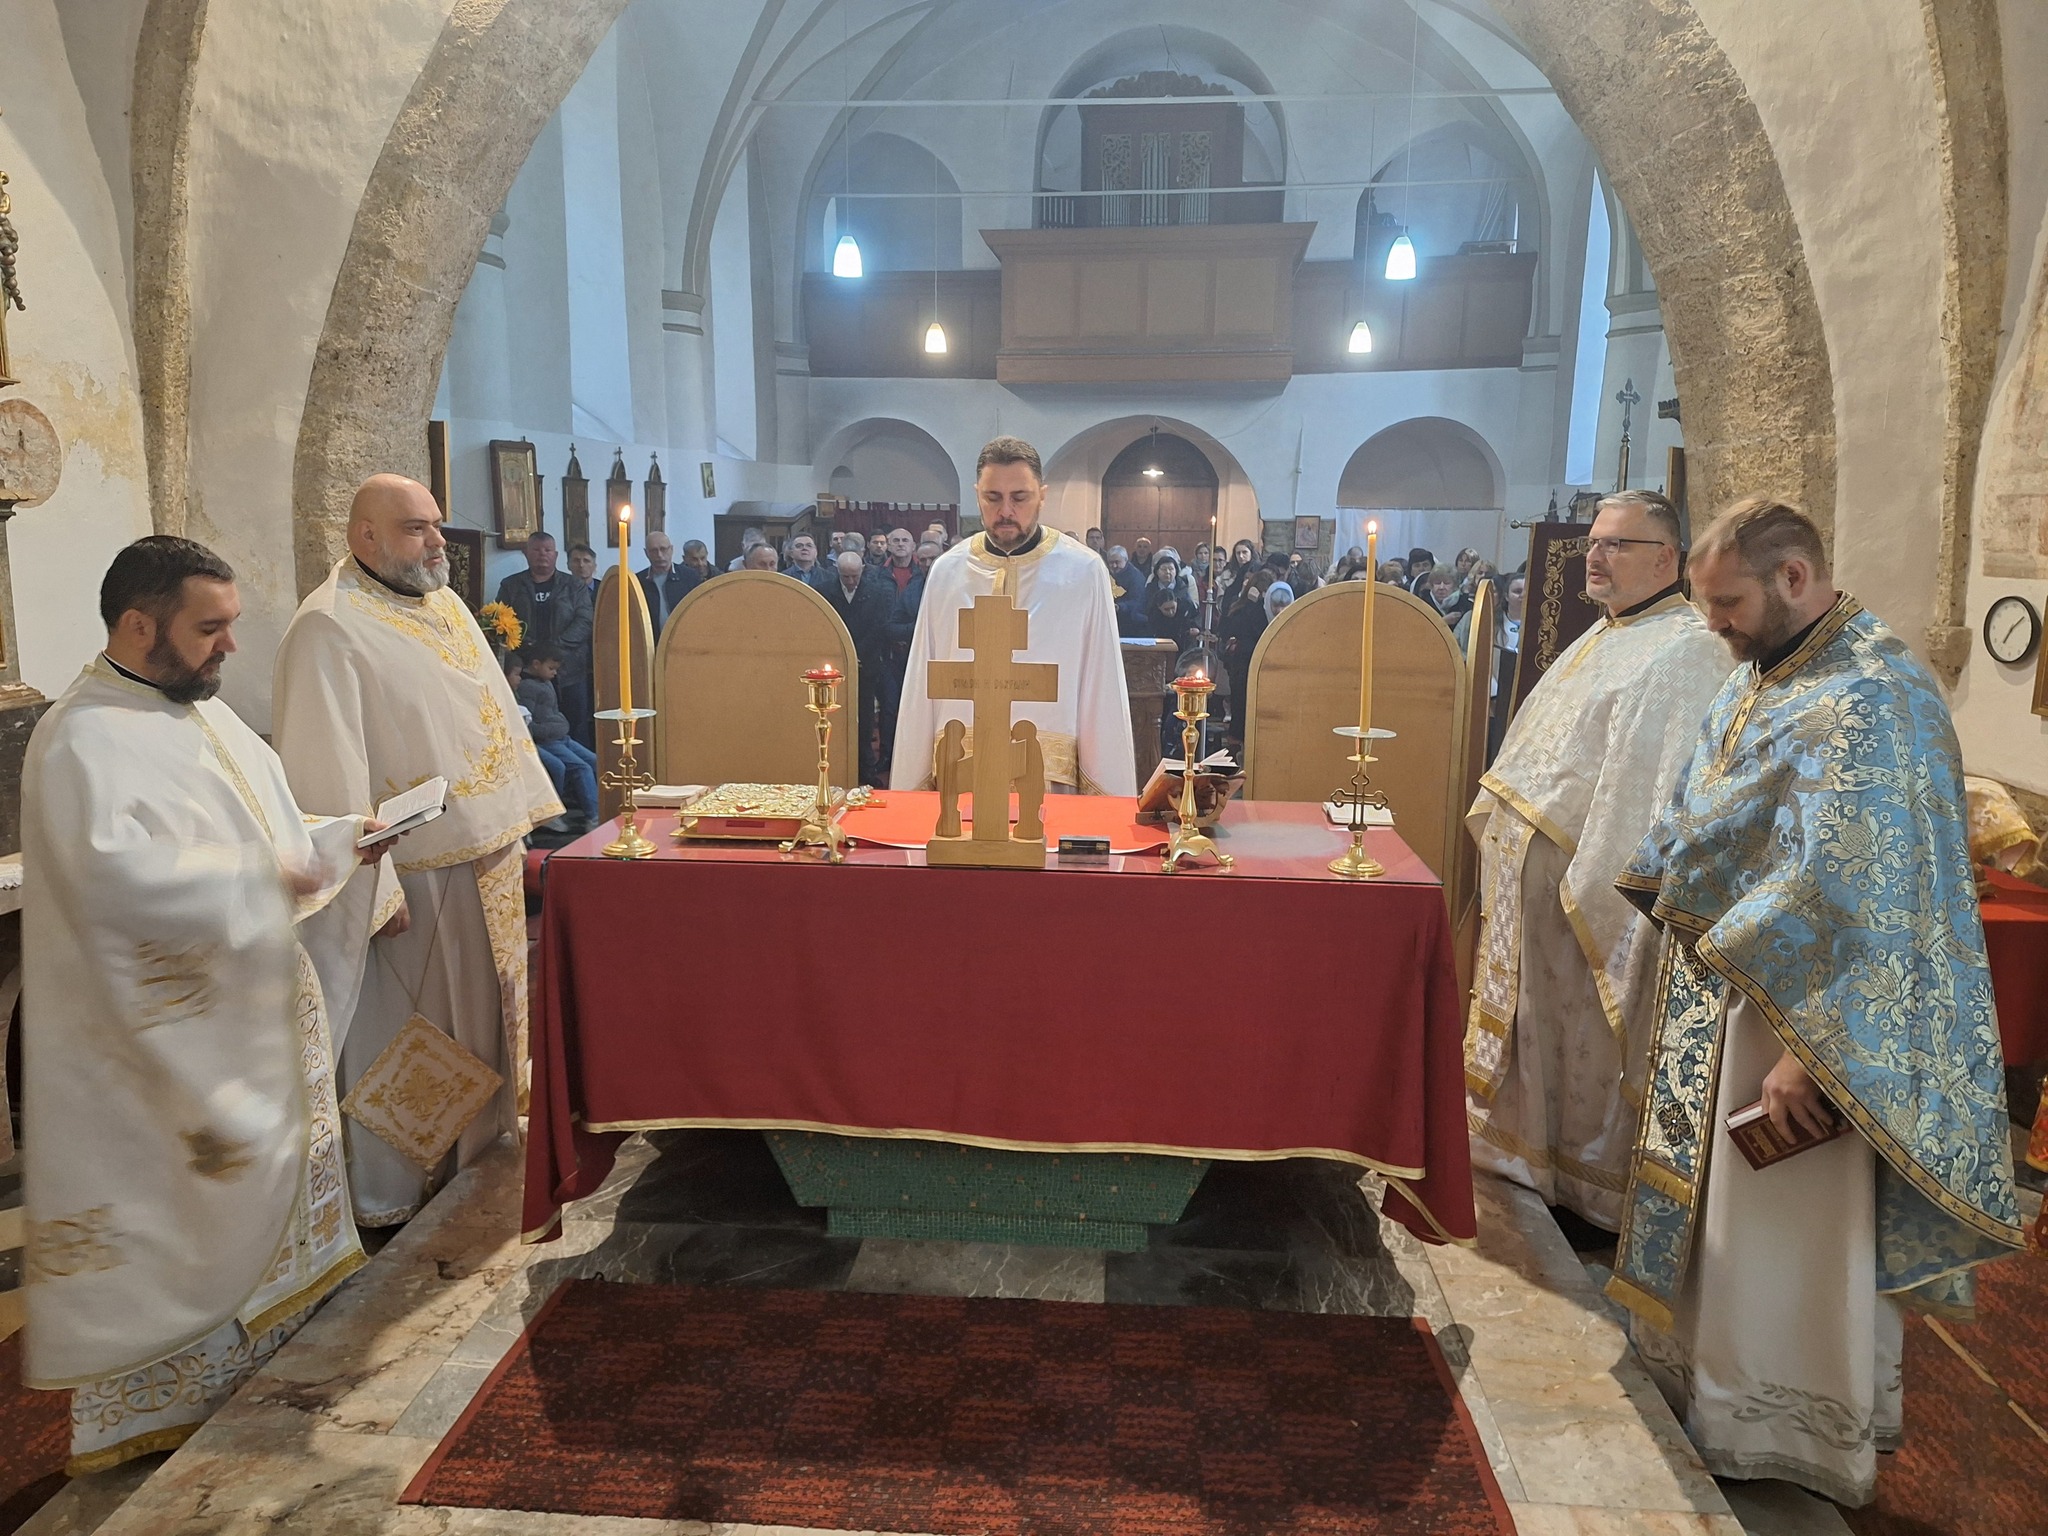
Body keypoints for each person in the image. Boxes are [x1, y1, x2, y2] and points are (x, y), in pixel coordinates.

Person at [1609, 496, 2022, 1507]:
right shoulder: (1767, 672)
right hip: (1728, 1001)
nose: (1713, 624)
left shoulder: (1877, 697)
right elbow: (1704, 807)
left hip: (1813, 1032)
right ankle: (1706, 1387)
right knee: (1726, 1227)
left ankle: (1784, 1421)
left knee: (1787, 1233)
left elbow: (1883, 899)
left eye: (1728, 604)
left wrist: (1813, 1058)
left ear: (1793, 578)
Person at [24, 536, 394, 1472]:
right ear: (137, 626)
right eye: (210, 628)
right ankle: (181, 1407)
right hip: (168, 1048)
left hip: (254, 1020)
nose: (230, 645)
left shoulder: (204, 713)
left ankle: (278, 1375)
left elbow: (270, 830)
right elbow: (118, 884)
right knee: (190, 1215)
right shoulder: (81, 739)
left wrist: (342, 839)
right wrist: (264, 874)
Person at [275, 474, 561, 1227]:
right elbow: (322, 772)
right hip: (413, 879)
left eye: (436, 524)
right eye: (416, 528)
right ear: (364, 535)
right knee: (416, 1037)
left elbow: (492, 714)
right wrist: (372, 890)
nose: (438, 542)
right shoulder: (327, 627)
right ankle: (399, 1192)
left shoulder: (445, 603)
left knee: (485, 1028)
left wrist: (520, 816)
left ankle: (480, 1162)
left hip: (487, 859)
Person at [1464, 489, 1732, 1232]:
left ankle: (1582, 1184)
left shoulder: (1687, 650)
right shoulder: (1607, 633)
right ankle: (1525, 1152)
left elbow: (1652, 791)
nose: (1596, 555)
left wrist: (1592, 875)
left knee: (1580, 1042)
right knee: (1534, 1029)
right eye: (1594, 541)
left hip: (1589, 893)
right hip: (1532, 890)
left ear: (1666, 558)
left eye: (1617, 543)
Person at [892, 436, 1136, 796]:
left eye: (1019, 497)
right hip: (960, 775)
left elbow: (1101, 685)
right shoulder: (947, 571)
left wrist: (1104, 793)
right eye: (992, 497)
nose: (1006, 511)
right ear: (977, 495)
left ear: (1042, 495)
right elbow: (922, 683)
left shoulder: (1083, 571)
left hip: (1050, 782)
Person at [494, 530, 594, 747]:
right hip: (527, 669)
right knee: (534, 728)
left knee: (576, 725)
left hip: (568, 668)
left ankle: (584, 765)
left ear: (555, 555)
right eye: (537, 550)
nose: (542, 554)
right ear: (526, 553)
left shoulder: (574, 585)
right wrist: (530, 649)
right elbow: (500, 620)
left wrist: (553, 648)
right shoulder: (511, 585)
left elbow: (585, 621)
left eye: (547, 550)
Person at [822, 550, 891, 784]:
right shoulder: (824, 591)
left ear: (862, 570)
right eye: (845, 577)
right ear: (837, 572)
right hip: (834, 665)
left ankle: (866, 770)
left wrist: (855, 655)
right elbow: (823, 626)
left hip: (866, 665)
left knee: (865, 719)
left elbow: (879, 628)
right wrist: (843, 655)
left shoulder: (877, 592)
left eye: (854, 576)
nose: (851, 581)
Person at [513, 645, 598, 832]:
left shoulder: (546, 682)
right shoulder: (528, 688)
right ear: (536, 664)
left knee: (594, 761)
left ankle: (600, 805)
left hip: (562, 737)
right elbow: (528, 722)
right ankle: (593, 816)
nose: (554, 673)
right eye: (551, 668)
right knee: (581, 768)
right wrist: (550, 730)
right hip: (548, 741)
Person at [1218, 567, 1276, 751]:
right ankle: (1237, 747)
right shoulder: (1242, 607)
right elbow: (1230, 629)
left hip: (1258, 662)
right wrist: (1253, 604)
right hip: (1243, 663)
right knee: (1241, 704)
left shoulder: (1267, 608)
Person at [638, 531, 698, 636]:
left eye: (663, 549)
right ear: (646, 553)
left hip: (685, 638)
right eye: (653, 551)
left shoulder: (690, 577)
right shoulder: (639, 581)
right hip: (652, 641)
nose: (659, 555)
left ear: (671, 549)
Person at [1106, 545, 1147, 632]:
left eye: (1117, 562)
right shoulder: (1106, 574)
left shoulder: (1136, 577)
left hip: (1131, 622)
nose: (1114, 565)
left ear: (1125, 560)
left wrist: (1120, 607)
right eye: (1111, 562)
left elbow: (1138, 601)